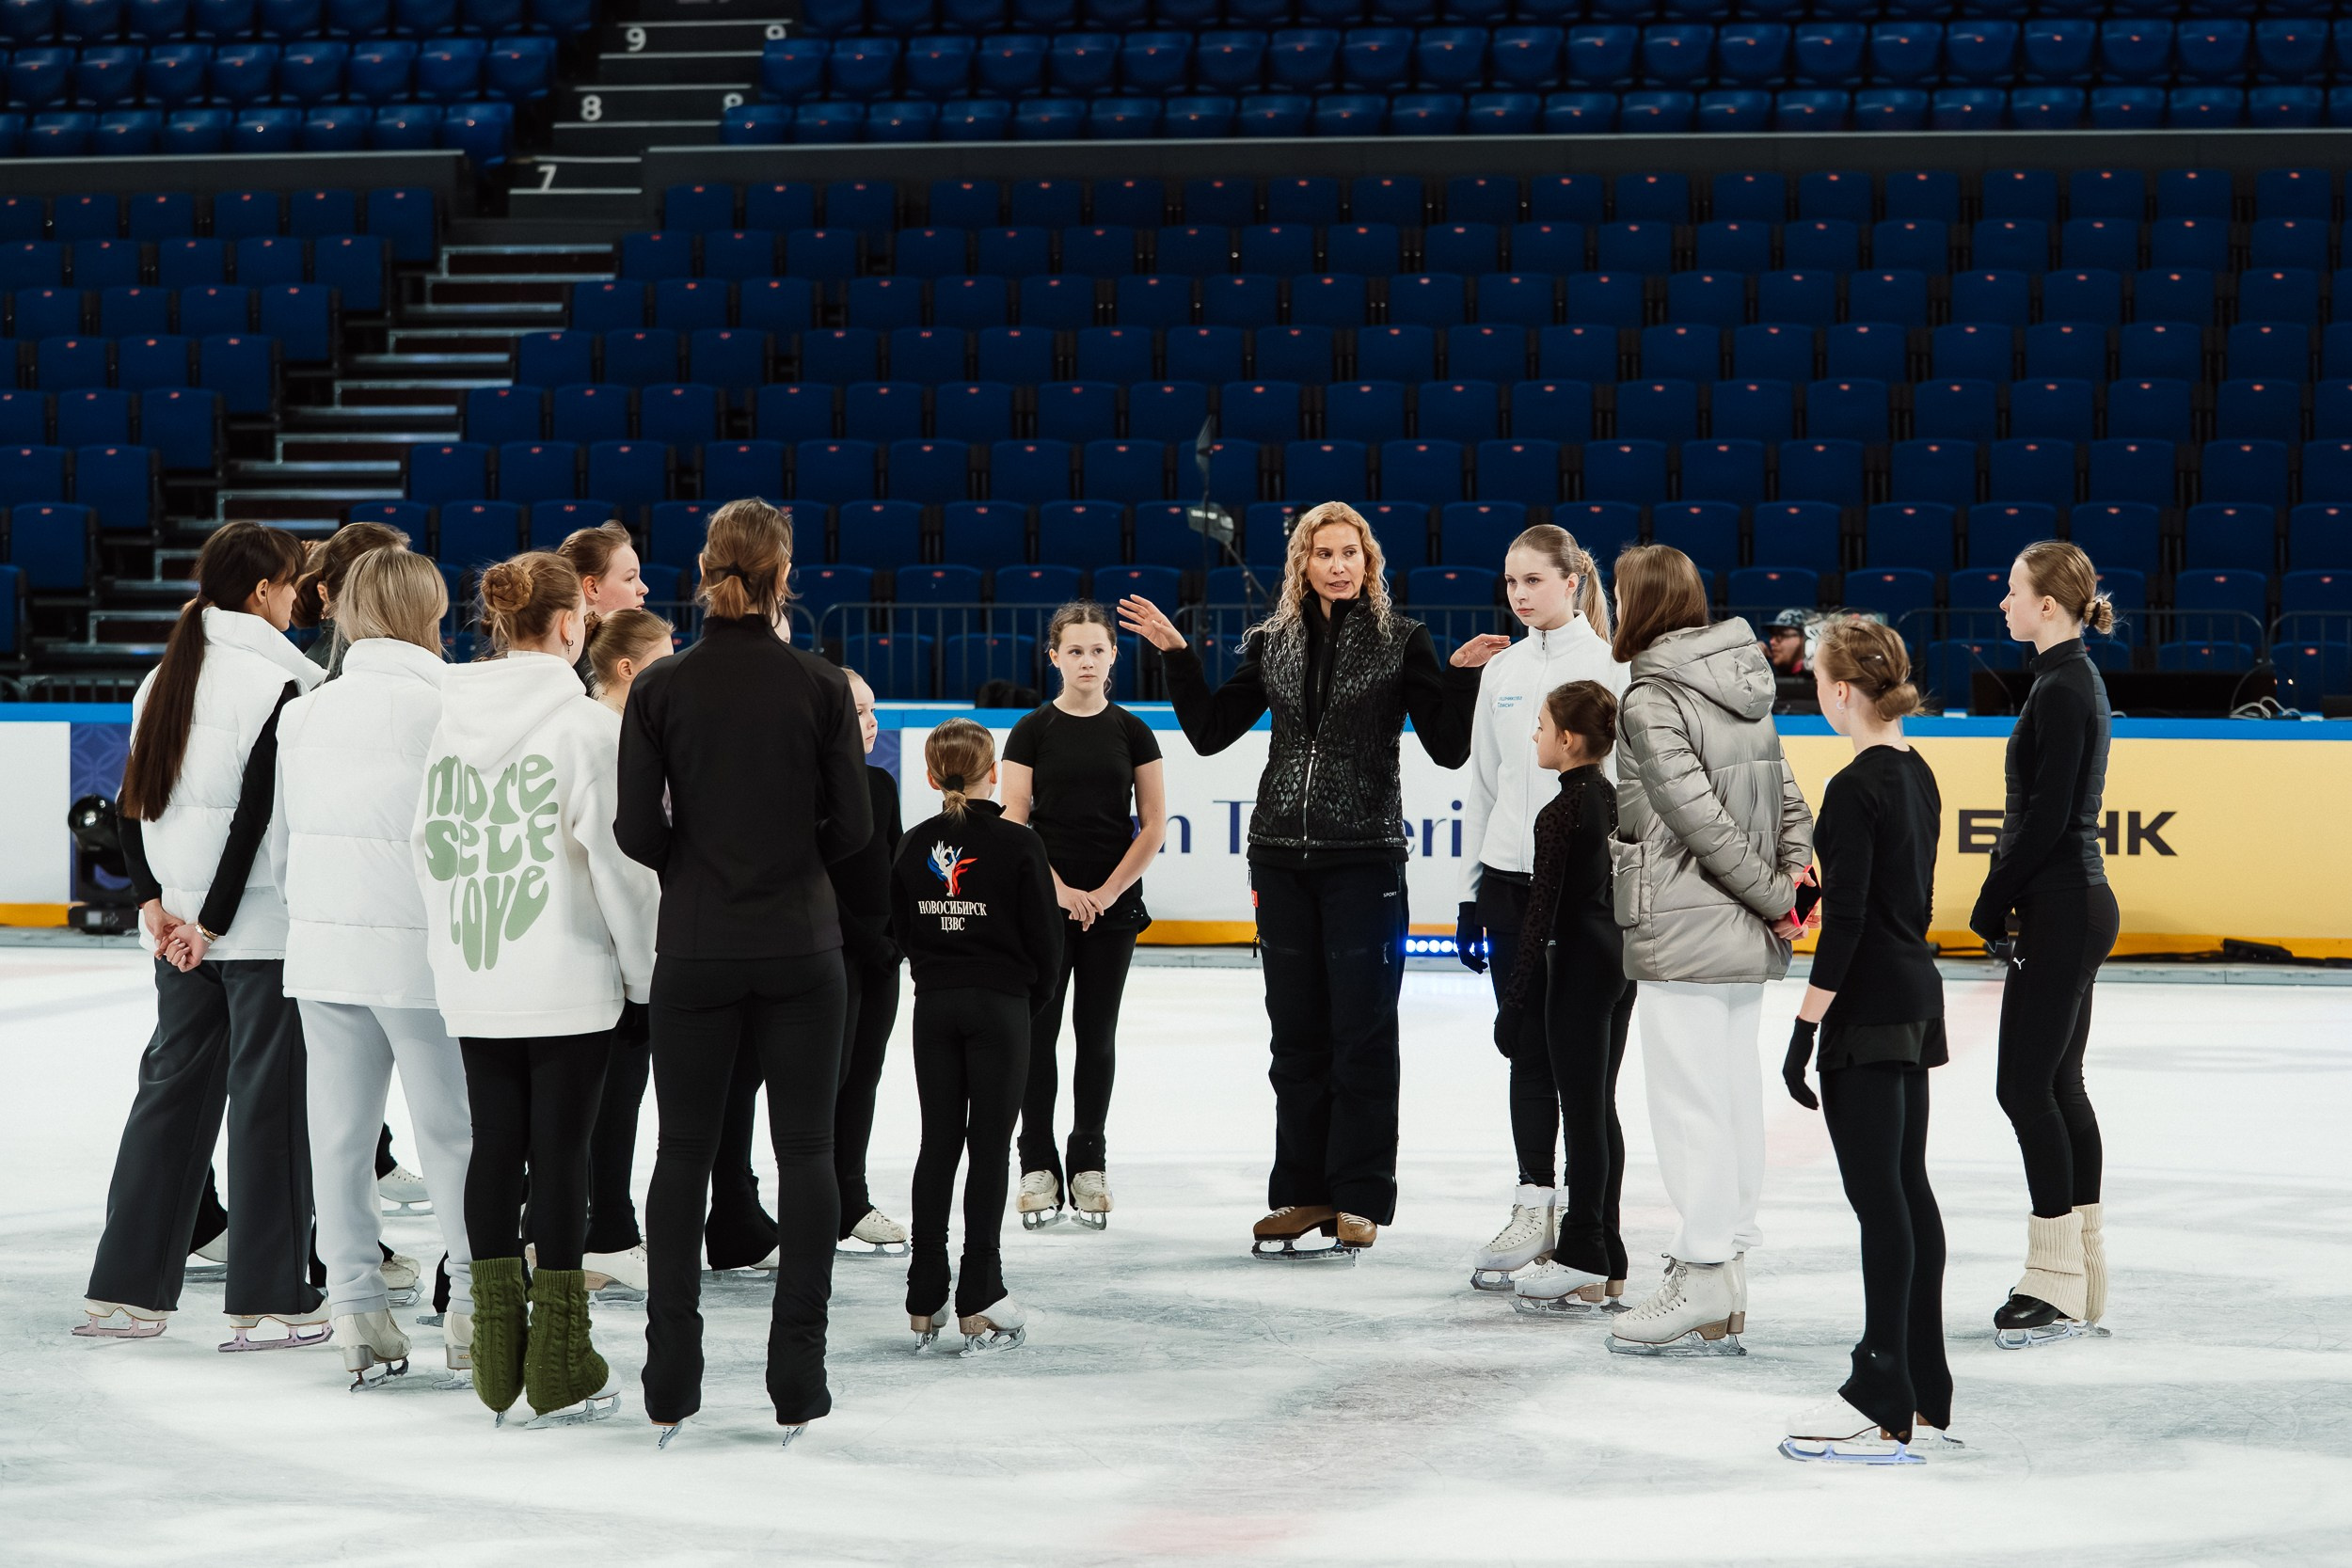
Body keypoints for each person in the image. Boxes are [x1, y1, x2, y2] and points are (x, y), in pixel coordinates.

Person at [1120, 500, 1503, 1258]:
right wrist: (1176, 654)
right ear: (1303, 563)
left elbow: (1449, 750)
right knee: (1294, 1036)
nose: (1338, 565)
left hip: (1365, 856)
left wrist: (1457, 678)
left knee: (1362, 1033)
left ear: (1369, 562)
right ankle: (1302, 1192)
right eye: (1324, 553)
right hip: (1279, 859)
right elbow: (1209, 731)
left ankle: (1358, 1197)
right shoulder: (1272, 641)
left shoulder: (1404, 641)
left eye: (1350, 553)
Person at [614, 499, 871, 1450]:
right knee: (805, 1151)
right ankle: (797, 1373)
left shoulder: (661, 686)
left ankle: (670, 1373)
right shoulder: (817, 683)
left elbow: (636, 830)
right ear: (783, 570)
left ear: (708, 567)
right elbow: (854, 831)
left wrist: (700, 860)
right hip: (802, 941)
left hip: (695, 941)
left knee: (681, 1151)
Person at [415, 550, 658, 1428]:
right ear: (571, 624)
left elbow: (428, 846)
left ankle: (495, 1355)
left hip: (477, 971)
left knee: (494, 1149)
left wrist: (453, 951)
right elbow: (624, 869)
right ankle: (559, 1356)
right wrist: (643, 973)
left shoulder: (449, 720)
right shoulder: (588, 729)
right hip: (567, 975)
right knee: (561, 1157)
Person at [79, 523, 328, 1348]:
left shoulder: (162, 677)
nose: (300, 599)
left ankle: (125, 1292)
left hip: (181, 927)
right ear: (263, 592)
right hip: (250, 929)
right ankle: (271, 1299)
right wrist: (211, 922)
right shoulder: (281, 684)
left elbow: (132, 798)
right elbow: (258, 818)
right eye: (294, 585)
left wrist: (156, 903)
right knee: (267, 1109)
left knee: (170, 1098)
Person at [273, 547, 477, 1388]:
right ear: (429, 613)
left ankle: (355, 1305)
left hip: (325, 951)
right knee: (455, 1134)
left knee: (341, 1136)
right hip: (425, 952)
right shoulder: (452, 704)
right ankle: (470, 1303)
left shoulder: (308, 711)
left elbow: (284, 852)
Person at [1604, 545, 1814, 1357]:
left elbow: (1698, 821)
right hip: (1742, 930)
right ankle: (1722, 1272)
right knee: (1727, 1094)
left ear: (1642, 605)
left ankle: (1702, 1267)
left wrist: (1774, 896)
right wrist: (1787, 893)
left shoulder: (1652, 697)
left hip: (1687, 927)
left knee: (1691, 1103)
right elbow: (1792, 804)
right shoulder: (1744, 681)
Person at [1778, 619, 1957, 1462]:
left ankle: (1884, 1391)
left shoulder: (1854, 786)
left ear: (1841, 690)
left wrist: (1805, 1022)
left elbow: (1846, 921)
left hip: (1871, 1008)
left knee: (1882, 1202)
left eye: (1817, 677)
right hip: (1916, 998)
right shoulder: (1919, 773)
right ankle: (1923, 1389)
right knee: (1907, 1193)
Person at [1454, 526, 1629, 1289]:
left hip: (1587, 896)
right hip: (1509, 885)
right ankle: (1534, 1203)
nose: (1520, 594)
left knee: (1588, 1073)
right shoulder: (1503, 670)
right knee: (1525, 1047)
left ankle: (1594, 1233)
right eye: (1511, 581)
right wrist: (1470, 891)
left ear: (1572, 579)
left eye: (1533, 579)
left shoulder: (1617, 667)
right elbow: (1484, 784)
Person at [1972, 541, 2120, 1349]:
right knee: (2057, 1083)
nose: (2004, 603)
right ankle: (2079, 1270)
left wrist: (1993, 898)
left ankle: (2057, 1280)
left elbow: (2052, 816)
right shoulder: (2065, 681)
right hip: (2071, 902)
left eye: (2013, 590)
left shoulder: (2065, 686)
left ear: (2049, 607)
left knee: (2026, 1086)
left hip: (2065, 903)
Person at [889, 719, 1061, 1353]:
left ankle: (924, 1289)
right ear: (994, 774)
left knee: (939, 1140)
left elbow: (899, 930)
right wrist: (1024, 1001)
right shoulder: (1019, 845)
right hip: (1000, 1007)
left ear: (933, 776)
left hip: (934, 1006)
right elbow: (1048, 943)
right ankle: (980, 1290)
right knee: (989, 1147)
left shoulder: (913, 844)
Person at [1001, 603, 1168, 1231]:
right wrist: (1061, 889)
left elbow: (1152, 824)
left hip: (1114, 906)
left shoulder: (1133, 731)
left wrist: (1104, 890)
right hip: (1042, 905)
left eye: (1097, 649)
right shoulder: (1031, 729)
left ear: (1114, 655)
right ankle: (1036, 1163)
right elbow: (1015, 817)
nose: (1087, 660)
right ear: (1054, 657)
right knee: (1037, 1035)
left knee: (1096, 1034)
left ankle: (1088, 1159)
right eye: (1075, 651)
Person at [1490, 681, 1638, 1318]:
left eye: (1543, 724)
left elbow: (1540, 916)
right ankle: (1609, 1254)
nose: (1536, 735)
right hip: (1618, 964)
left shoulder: (1560, 813)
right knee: (1597, 1105)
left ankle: (1584, 1251)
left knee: (1580, 1110)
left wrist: (1514, 1002)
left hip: (1576, 965)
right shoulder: (1611, 798)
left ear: (1569, 739)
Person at [577, 608, 674, 1302]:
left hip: (586, 947)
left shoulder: (615, 731)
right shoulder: (610, 738)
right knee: (610, 1100)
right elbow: (625, 866)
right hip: (605, 952)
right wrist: (644, 980)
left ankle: (600, 1227)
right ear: (628, 669)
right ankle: (606, 1231)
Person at [827, 668, 910, 1257]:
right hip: (833, 951)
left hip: (881, 956)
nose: (872, 721)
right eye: (858, 710)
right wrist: (865, 940)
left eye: (874, 709)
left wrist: (899, 938)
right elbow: (816, 879)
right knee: (827, 1081)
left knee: (864, 1075)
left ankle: (850, 1199)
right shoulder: (808, 786)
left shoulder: (880, 784)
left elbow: (896, 867)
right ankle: (820, 1200)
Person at [293, 518, 408, 676]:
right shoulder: (321, 672)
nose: (405, 591)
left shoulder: (397, 655)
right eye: (385, 580)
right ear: (324, 594)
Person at [1762, 609, 1810, 676]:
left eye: (1781, 635)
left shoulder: (1820, 680)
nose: (1772, 642)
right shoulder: (1771, 679)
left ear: (1805, 637)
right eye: (1772, 635)